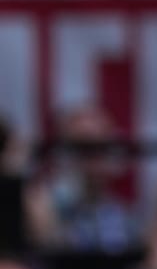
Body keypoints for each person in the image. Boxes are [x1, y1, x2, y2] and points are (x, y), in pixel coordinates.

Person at [23, 103, 141, 254]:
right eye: (84, 147)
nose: (94, 158)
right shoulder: (42, 207)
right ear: (63, 154)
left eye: (102, 147)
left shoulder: (126, 220)